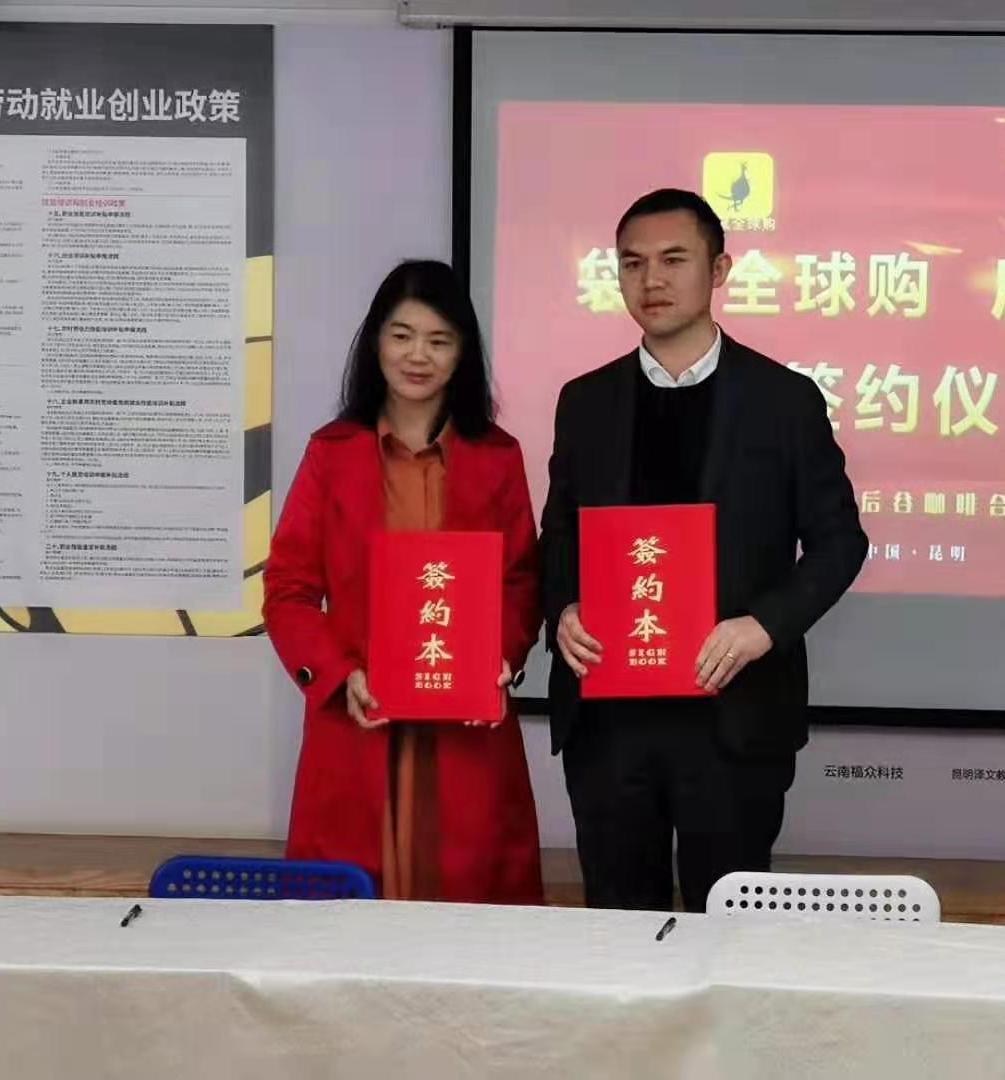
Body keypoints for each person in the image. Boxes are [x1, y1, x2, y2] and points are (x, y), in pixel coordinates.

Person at [540, 190, 868, 912]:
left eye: (673, 260)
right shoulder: (585, 401)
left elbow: (840, 541)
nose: (651, 280)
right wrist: (562, 608)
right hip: (610, 719)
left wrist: (763, 626)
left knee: (730, 930)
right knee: (618, 927)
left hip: (733, 712)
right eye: (632, 263)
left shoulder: (783, 400)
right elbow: (559, 534)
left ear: (719, 270)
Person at [264, 260, 543, 903]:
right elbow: (288, 589)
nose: (418, 355)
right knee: (346, 916)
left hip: (465, 728)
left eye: (439, 340)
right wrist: (338, 675)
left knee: (473, 910)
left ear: (463, 354)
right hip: (360, 720)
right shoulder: (331, 453)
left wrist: (501, 654)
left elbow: (521, 579)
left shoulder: (498, 457)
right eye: (402, 335)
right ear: (375, 342)